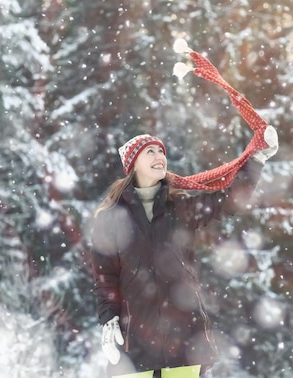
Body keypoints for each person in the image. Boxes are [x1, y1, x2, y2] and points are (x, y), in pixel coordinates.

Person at [89, 125, 278, 378]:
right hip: (135, 340)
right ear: (133, 164)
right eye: (150, 152)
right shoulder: (111, 218)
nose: (159, 156)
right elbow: (105, 276)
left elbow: (229, 200)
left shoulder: (179, 208)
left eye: (161, 151)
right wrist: (108, 317)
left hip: (184, 338)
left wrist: (257, 159)